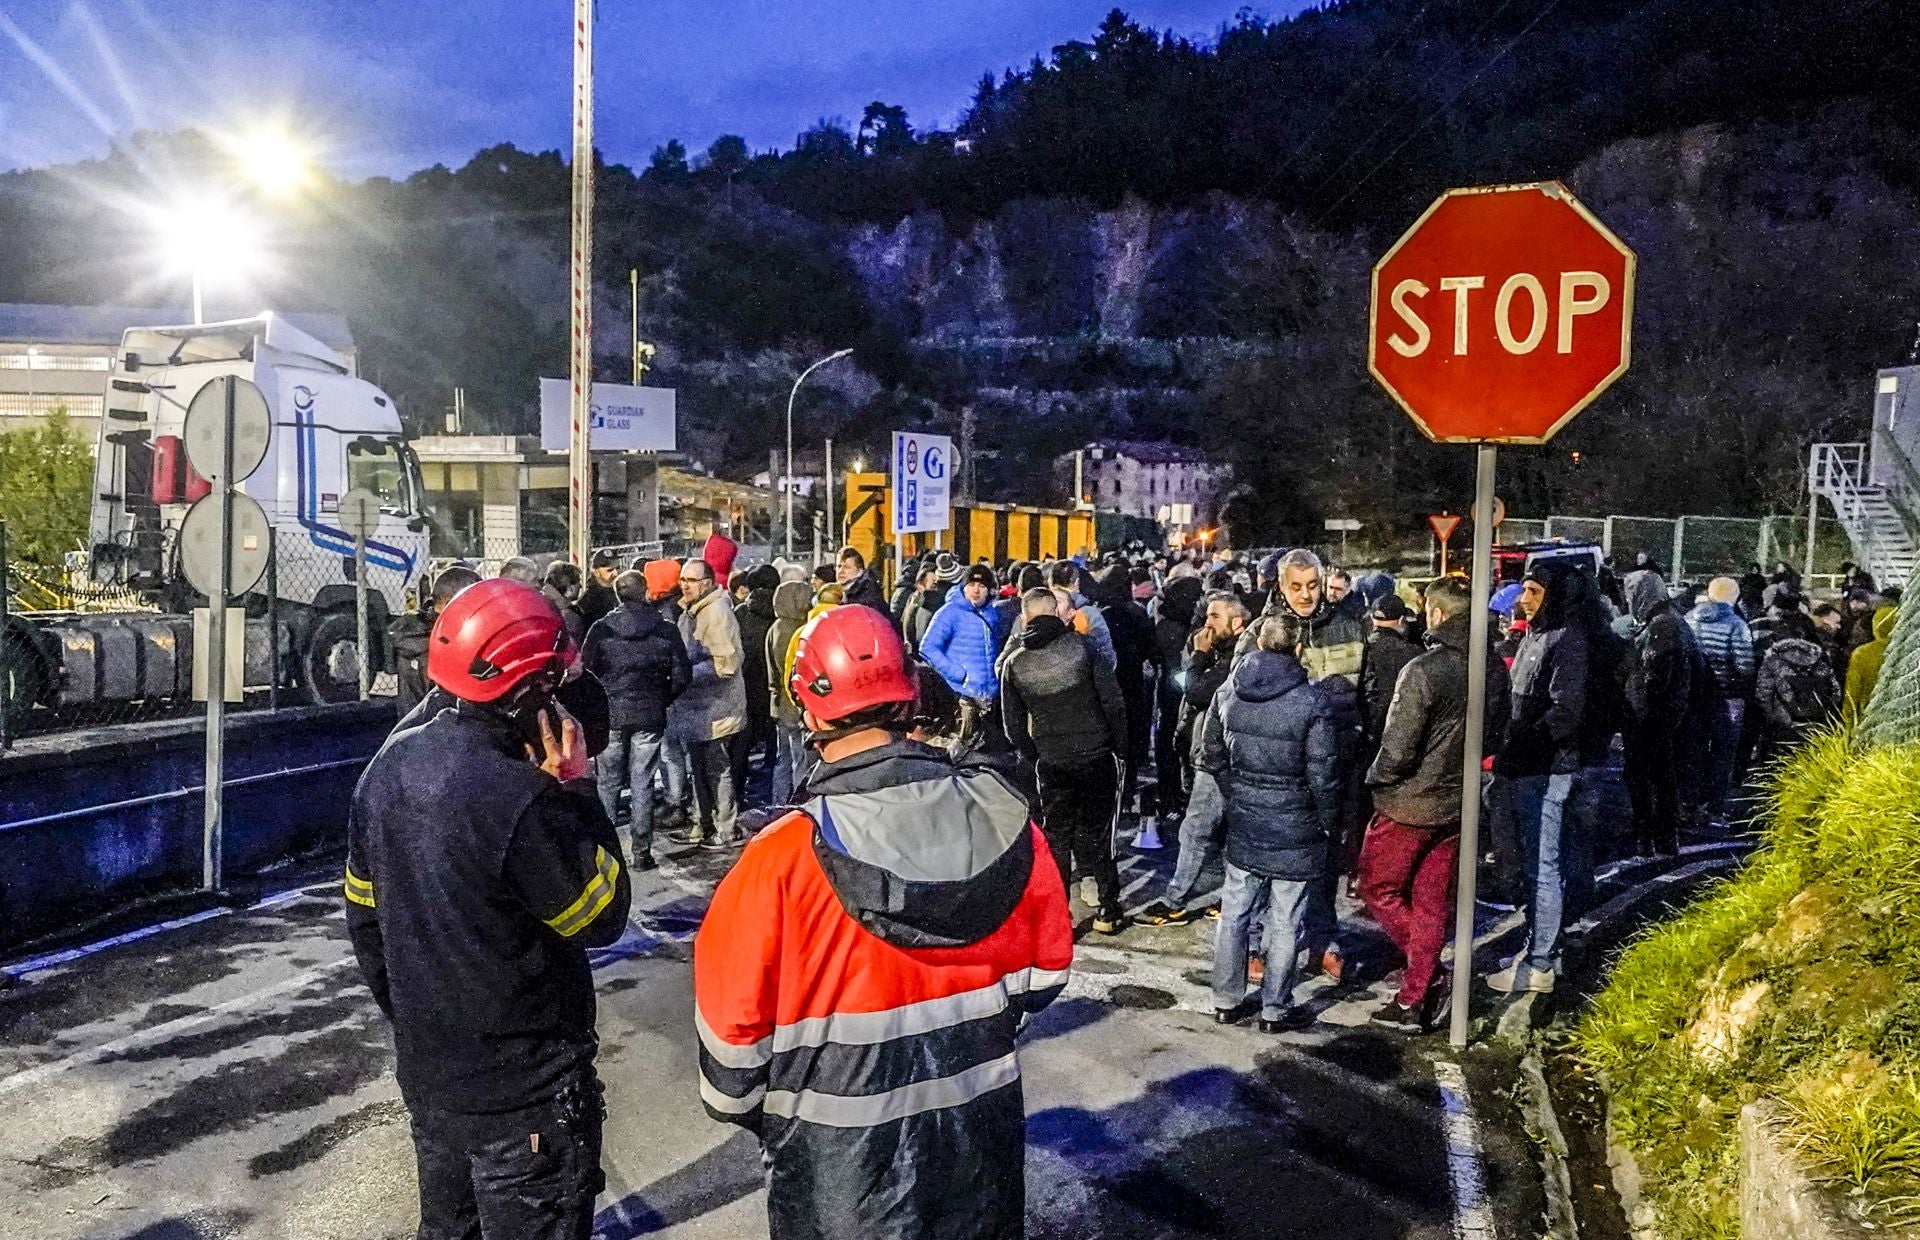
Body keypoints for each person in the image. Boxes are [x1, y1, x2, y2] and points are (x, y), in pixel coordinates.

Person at [693, 606, 1073, 1240]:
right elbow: (1044, 973)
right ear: (907, 697)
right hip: (979, 1148)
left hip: (836, 1173)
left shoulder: (782, 857)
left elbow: (731, 1066)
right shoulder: (1004, 819)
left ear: (811, 714)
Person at [346, 578, 630, 1240]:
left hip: (434, 1085)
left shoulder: (384, 773)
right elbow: (600, 914)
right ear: (529, 691)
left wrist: (423, 1025)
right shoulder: (520, 799)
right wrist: (579, 791)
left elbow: (365, 924)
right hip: (525, 1101)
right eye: (551, 685)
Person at [1360, 576, 1510, 1031]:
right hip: (1457, 802)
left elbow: (1399, 747)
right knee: (1430, 903)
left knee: (1378, 888)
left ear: (1438, 614)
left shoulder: (1425, 669)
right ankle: (1413, 999)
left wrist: (1375, 780)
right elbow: (1497, 732)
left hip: (1409, 804)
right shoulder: (1492, 666)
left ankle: (1429, 978)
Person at [1198, 612, 1338, 1033]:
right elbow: (1323, 775)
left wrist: (1236, 794)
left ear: (1259, 643)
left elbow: (1212, 754)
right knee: (1285, 919)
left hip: (1246, 819)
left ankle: (1225, 998)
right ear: (1298, 648)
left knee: (1235, 912)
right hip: (1296, 826)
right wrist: (1328, 822)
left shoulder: (1229, 691)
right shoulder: (1312, 701)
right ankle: (1275, 1007)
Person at [1253, 548, 1367, 980]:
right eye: (1295, 586)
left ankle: (1324, 939)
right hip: (1279, 769)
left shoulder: (1350, 626)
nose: (1304, 595)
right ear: (1280, 586)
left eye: (1312, 586)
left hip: (1335, 762)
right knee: (1271, 863)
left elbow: (1368, 693)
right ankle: (1263, 943)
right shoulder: (1261, 633)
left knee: (1324, 861)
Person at [1000, 586, 1129, 934]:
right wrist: (1120, 748)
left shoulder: (1015, 663)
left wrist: (1035, 754)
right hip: (1096, 753)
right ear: (1056, 613)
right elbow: (1113, 702)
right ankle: (1108, 907)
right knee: (1099, 832)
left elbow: (1013, 726)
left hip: (1052, 760)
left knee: (1057, 836)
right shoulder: (1083, 647)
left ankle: (1060, 916)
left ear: (1025, 617)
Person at [1489, 561, 1589, 995]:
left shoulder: (1566, 641)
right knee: (1527, 865)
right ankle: (1540, 946)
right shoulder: (1532, 634)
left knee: (1543, 867)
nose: (1522, 599)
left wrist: (1522, 742)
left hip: (1546, 770)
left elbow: (1564, 713)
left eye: (1532, 591)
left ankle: (1541, 962)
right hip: (1522, 766)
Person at [582, 569, 691, 869]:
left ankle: (603, 853)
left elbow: (585, 672)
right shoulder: (665, 629)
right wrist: (661, 698)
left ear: (618, 595)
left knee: (608, 783)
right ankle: (641, 853)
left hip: (612, 714)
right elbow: (683, 675)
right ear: (644, 592)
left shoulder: (602, 629)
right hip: (650, 714)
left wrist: (599, 703)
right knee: (643, 782)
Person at [669, 557, 748, 849]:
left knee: (717, 768)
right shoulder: (690, 612)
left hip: (717, 709)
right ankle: (701, 824)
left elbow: (727, 664)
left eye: (690, 580)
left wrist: (685, 673)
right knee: (699, 769)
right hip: (697, 708)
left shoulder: (716, 612)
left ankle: (726, 828)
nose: (684, 585)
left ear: (706, 583)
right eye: (682, 580)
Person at [1622, 569, 1694, 858]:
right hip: (1666, 715)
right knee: (1661, 776)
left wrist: (1640, 707)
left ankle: (1651, 835)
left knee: (1648, 777)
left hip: (1651, 719)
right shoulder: (1671, 621)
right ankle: (1662, 835)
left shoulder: (1661, 626)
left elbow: (1653, 675)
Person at [1687, 577, 1756, 826]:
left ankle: (1690, 803)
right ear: (1734, 597)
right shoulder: (1737, 625)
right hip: (1728, 699)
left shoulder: (1689, 619)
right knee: (1722, 753)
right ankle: (1715, 808)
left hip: (1694, 698)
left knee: (1693, 750)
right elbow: (1745, 666)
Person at [921, 563, 1014, 743]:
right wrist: (959, 674)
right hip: (961, 697)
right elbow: (928, 648)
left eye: (982, 586)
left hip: (988, 698)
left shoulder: (993, 614)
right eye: (971, 585)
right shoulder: (949, 612)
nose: (976, 590)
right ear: (963, 587)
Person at [1150, 575, 1205, 818]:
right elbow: (1176, 667)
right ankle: (1171, 795)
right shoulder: (1173, 627)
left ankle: (1170, 792)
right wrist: (1189, 686)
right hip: (1174, 693)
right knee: (1172, 742)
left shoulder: (1169, 619)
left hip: (1171, 690)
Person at [392, 564, 481, 714]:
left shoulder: (420, 634)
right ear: (450, 602)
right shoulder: (435, 643)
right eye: (474, 601)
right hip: (435, 731)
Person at [766, 579, 814, 805]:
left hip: (779, 705)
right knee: (800, 759)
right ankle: (798, 802)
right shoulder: (797, 631)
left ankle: (778, 800)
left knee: (783, 758)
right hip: (795, 706)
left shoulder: (774, 628)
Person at [1360, 593, 1422, 746]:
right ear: (1401, 620)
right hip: (1396, 733)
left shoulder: (1361, 647)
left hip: (1364, 732)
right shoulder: (1413, 654)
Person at [1048, 561, 1116, 669]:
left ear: (1050, 582)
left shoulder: (1039, 607)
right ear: (1077, 583)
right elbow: (1107, 657)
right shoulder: (1089, 613)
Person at [1844, 603, 1898, 721]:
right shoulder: (1908, 651)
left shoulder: (1862, 653)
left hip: (1869, 718)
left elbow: (1852, 692)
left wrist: (1848, 721)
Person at [836, 545, 892, 620]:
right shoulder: (843, 591)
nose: (840, 571)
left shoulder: (867, 594)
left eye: (847, 567)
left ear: (860, 570)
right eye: (839, 566)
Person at [543, 561, 589, 648]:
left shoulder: (543, 601)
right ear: (568, 586)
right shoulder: (567, 615)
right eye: (578, 582)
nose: (580, 586)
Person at [579, 548, 620, 629]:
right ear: (596, 572)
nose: (616, 573)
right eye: (610, 570)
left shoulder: (622, 591)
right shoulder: (588, 600)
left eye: (617, 568)